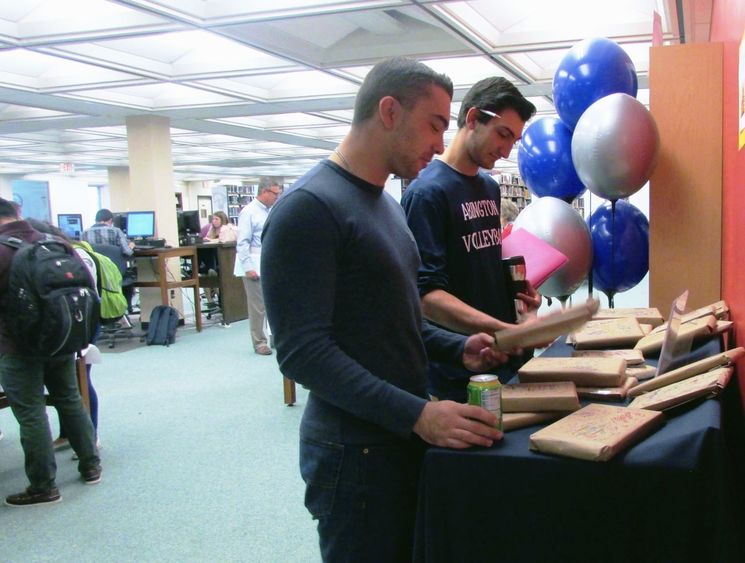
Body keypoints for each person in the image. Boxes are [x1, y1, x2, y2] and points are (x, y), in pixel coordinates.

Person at [261, 57, 507, 563]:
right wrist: (417, 414)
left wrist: (458, 348)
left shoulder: (386, 204)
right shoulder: (308, 209)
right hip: (354, 455)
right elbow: (303, 354)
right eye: (435, 124)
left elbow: (394, 317)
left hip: (397, 439)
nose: (442, 143)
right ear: (390, 110)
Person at [400, 76, 541, 402]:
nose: (506, 151)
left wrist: (518, 291)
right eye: (502, 134)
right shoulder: (427, 193)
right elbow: (427, 297)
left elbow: (483, 262)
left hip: (504, 353)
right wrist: (500, 329)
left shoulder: (489, 187)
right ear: (474, 118)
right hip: (461, 366)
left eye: (514, 141)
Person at [0, 198, 101, 507]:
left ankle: (43, 485)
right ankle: (91, 464)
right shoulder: (55, 242)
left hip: (16, 344)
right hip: (61, 336)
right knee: (69, 398)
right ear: (17, 213)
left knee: (31, 413)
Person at [234, 179, 282, 355]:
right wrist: (247, 266)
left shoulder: (272, 211)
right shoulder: (249, 212)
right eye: (274, 194)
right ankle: (259, 342)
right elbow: (243, 241)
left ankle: (275, 338)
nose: (277, 197)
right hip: (254, 263)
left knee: (274, 304)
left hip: (270, 262)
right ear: (263, 192)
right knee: (258, 306)